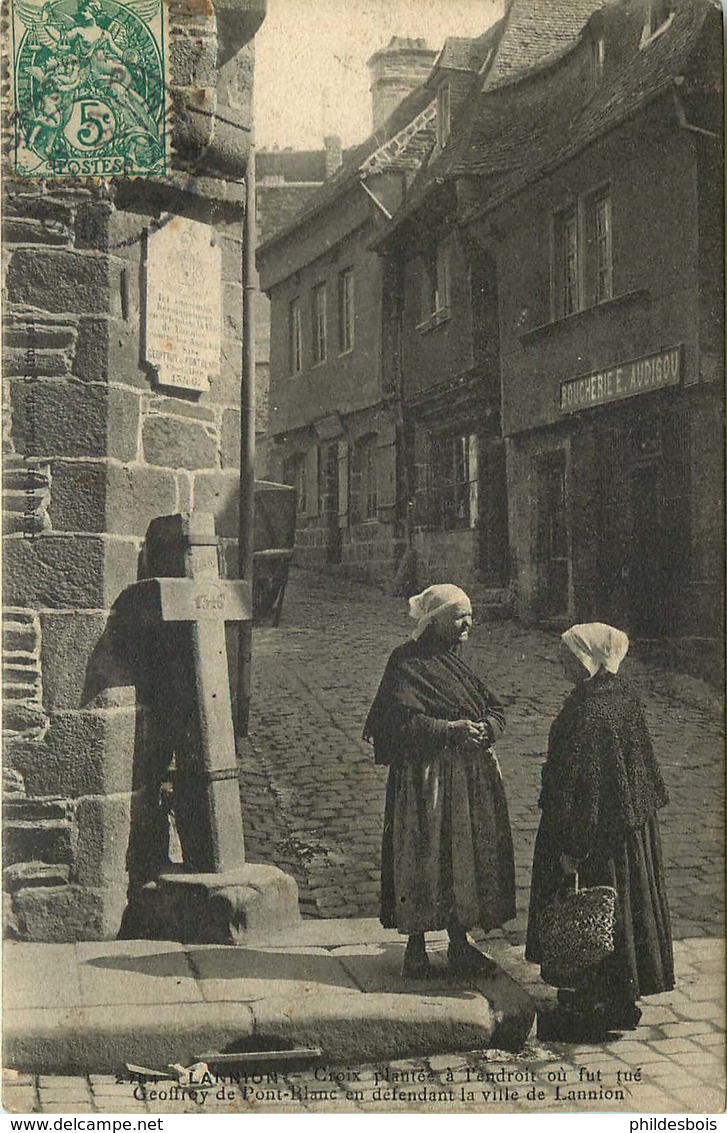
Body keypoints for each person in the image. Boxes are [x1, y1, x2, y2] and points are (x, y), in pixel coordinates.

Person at [526, 622, 674, 1034]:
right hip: (627, 829)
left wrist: (571, 847)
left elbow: (587, 785)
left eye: (568, 656)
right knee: (624, 913)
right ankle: (620, 999)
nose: (561, 662)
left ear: (588, 659)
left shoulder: (591, 711)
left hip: (598, 836)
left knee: (595, 912)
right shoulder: (619, 695)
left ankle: (594, 1008)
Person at [364, 584, 516, 979]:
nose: (469, 623)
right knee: (423, 854)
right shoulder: (406, 662)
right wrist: (448, 730)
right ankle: (415, 947)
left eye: (470, 615)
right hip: (424, 780)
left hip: (467, 780)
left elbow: (495, 706)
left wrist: (488, 728)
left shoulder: (461, 661)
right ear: (434, 622)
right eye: (459, 616)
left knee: (463, 855)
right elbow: (396, 723)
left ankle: (459, 942)